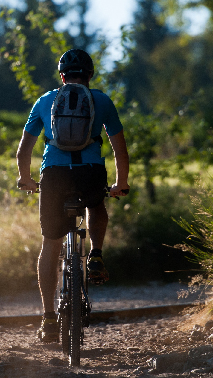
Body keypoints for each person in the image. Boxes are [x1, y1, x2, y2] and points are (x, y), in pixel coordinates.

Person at [15, 49, 130, 343]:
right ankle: (96, 254)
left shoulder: (45, 100)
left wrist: (26, 179)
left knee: (50, 244)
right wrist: (120, 183)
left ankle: (48, 319)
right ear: (90, 75)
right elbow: (119, 149)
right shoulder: (101, 100)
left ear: (61, 75)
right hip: (90, 172)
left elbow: (24, 149)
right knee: (96, 203)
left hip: (54, 175)